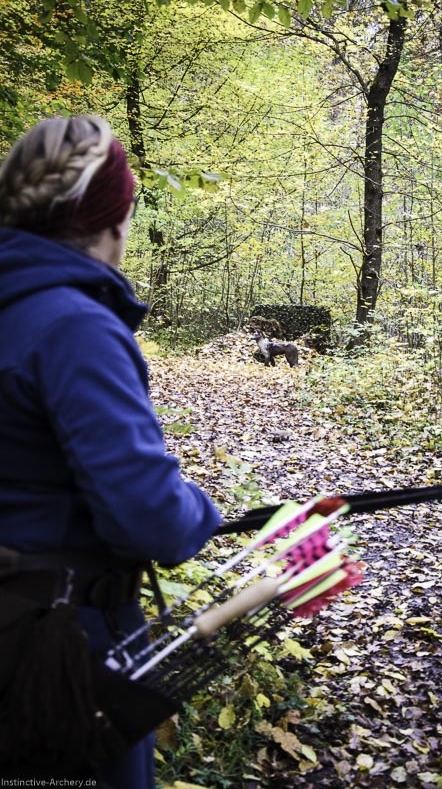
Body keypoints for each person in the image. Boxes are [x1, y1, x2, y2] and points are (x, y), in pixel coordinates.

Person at [0, 115, 221, 787]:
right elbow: (150, 517)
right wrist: (199, 512)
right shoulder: (74, 327)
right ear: (116, 217)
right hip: (59, 648)